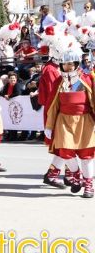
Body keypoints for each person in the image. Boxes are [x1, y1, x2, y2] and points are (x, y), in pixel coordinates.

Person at [44, 46, 95, 198]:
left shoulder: (86, 79)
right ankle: (75, 174)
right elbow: (53, 105)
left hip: (84, 121)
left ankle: (88, 185)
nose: (67, 67)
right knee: (65, 152)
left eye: (70, 64)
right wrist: (49, 125)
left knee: (87, 157)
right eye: (65, 64)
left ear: (76, 64)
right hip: (64, 121)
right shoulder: (59, 81)